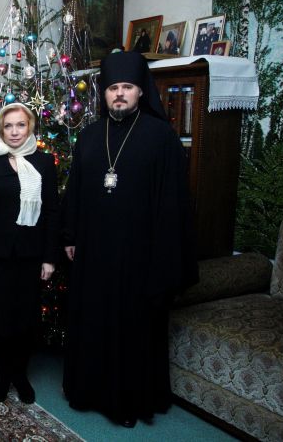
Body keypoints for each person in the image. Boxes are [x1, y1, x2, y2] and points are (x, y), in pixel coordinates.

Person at [61, 51, 197, 428]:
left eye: (127, 87)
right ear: (104, 93)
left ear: (140, 92)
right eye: (113, 88)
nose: (119, 94)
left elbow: (174, 204)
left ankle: (129, 401)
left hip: (140, 255)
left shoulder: (161, 137)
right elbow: (75, 191)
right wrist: (70, 234)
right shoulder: (90, 136)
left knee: (132, 328)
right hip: (94, 252)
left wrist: (163, 256)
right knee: (94, 321)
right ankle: (88, 392)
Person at [0, 103, 58, 404]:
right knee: (0, 318)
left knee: (25, 319)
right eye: (8, 126)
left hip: (31, 255)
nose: (15, 131)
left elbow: (51, 213)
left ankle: (21, 374)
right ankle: (4, 373)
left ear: (30, 127)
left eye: (20, 125)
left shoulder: (44, 161)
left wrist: (49, 257)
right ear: (1, 130)